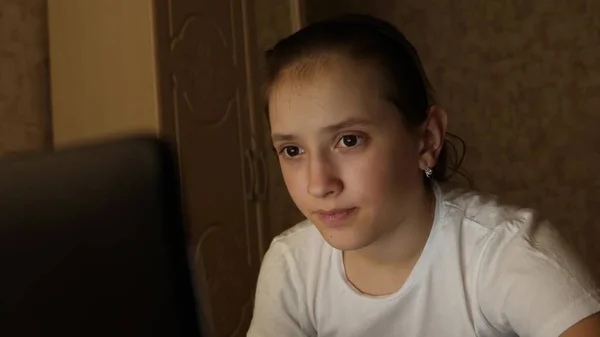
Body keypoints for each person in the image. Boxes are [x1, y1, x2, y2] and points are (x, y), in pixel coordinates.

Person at [247, 14, 600, 337]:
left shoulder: (505, 253)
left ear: (427, 139)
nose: (319, 184)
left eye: (349, 140)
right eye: (292, 151)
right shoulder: (291, 266)